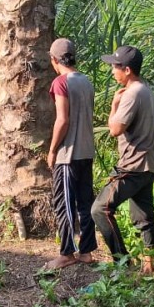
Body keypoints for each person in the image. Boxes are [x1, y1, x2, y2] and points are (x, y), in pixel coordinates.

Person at [91, 45, 154, 269]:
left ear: (127, 70)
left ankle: (122, 262)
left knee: (100, 209)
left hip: (132, 165)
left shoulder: (131, 94)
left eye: (115, 66)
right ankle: (149, 264)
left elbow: (115, 129)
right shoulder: (146, 90)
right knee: (144, 216)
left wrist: (114, 105)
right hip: (148, 164)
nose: (113, 71)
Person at [43, 38, 97, 270]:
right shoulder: (86, 81)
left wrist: (52, 150)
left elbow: (62, 120)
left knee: (64, 203)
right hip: (86, 151)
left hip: (68, 154)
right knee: (85, 203)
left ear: (54, 60)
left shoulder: (60, 83)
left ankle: (66, 253)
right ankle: (86, 251)